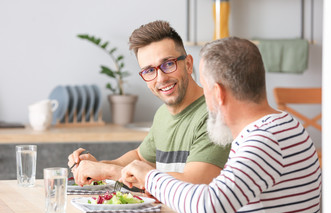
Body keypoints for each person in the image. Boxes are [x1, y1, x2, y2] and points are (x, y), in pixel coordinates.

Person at [120, 37, 322, 213]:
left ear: (218, 93)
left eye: (205, 90)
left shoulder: (263, 140)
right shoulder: (285, 125)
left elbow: (208, 208)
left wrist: (150, 177)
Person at [68, 20, 231, 186]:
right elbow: (140, 157)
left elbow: (195, 183)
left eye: (168, 64)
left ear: (188, 64)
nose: (161, 78)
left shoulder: (214, 114)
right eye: (149, 70)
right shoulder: (163, 114)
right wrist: (98, 167)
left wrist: (111, 172)